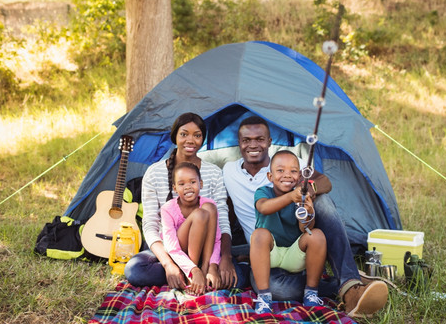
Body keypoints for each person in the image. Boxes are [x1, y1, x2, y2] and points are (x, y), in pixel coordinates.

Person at [223, 116, 388, 318]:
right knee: (279, 290)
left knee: (322, 202)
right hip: (266, 252)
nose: (253, 144)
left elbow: (325, 182)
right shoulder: (229, 171)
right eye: (246, 140)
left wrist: (309, 193)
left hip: (297, 247)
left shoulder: (289, 163)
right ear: (238, 143)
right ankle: (344, 285)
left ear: (269, 141)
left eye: (259, 139)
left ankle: (350, 285)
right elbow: (224, 208)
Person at [124, 112, 244, 290]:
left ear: (203, 139)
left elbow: (223, 221)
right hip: (168, 249)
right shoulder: (154, 172)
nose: (190, 140)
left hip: (206, 249)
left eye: (197, 135)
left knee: (237, 279)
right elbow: (150, 224)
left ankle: (196, 275)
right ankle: (187, 275)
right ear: (175, 137)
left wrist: (223, 260)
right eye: (184, 134)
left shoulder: (213, 172)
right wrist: (168, 265)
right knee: (135, 271)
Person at [251, 150, 327, 314]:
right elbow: (264, 207)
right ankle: (264, 297)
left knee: (317, 236)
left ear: (299, 176)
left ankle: (311, 293)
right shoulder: (263, 192)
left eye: (293, 171)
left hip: (294, 254)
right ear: (270, 177)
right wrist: (291, 197)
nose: (287, 175)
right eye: (280, 170)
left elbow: (306, 228)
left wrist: (307, 212)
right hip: (270, 255)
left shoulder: (301, 195)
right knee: (259, 235)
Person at [161, 162, 221, 295]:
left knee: (208, 209)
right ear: (175, 188)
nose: (188, 187)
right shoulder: (167, 209)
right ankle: (191, 278)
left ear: (201, 183)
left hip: (203, 253)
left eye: (193, 182)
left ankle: (204, 269)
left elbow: (216, 240)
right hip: (179, 254)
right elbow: (172, 248)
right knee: (199, 214)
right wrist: (193, 269)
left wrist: (213, 266)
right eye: (181, 184)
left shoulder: (210, 204)